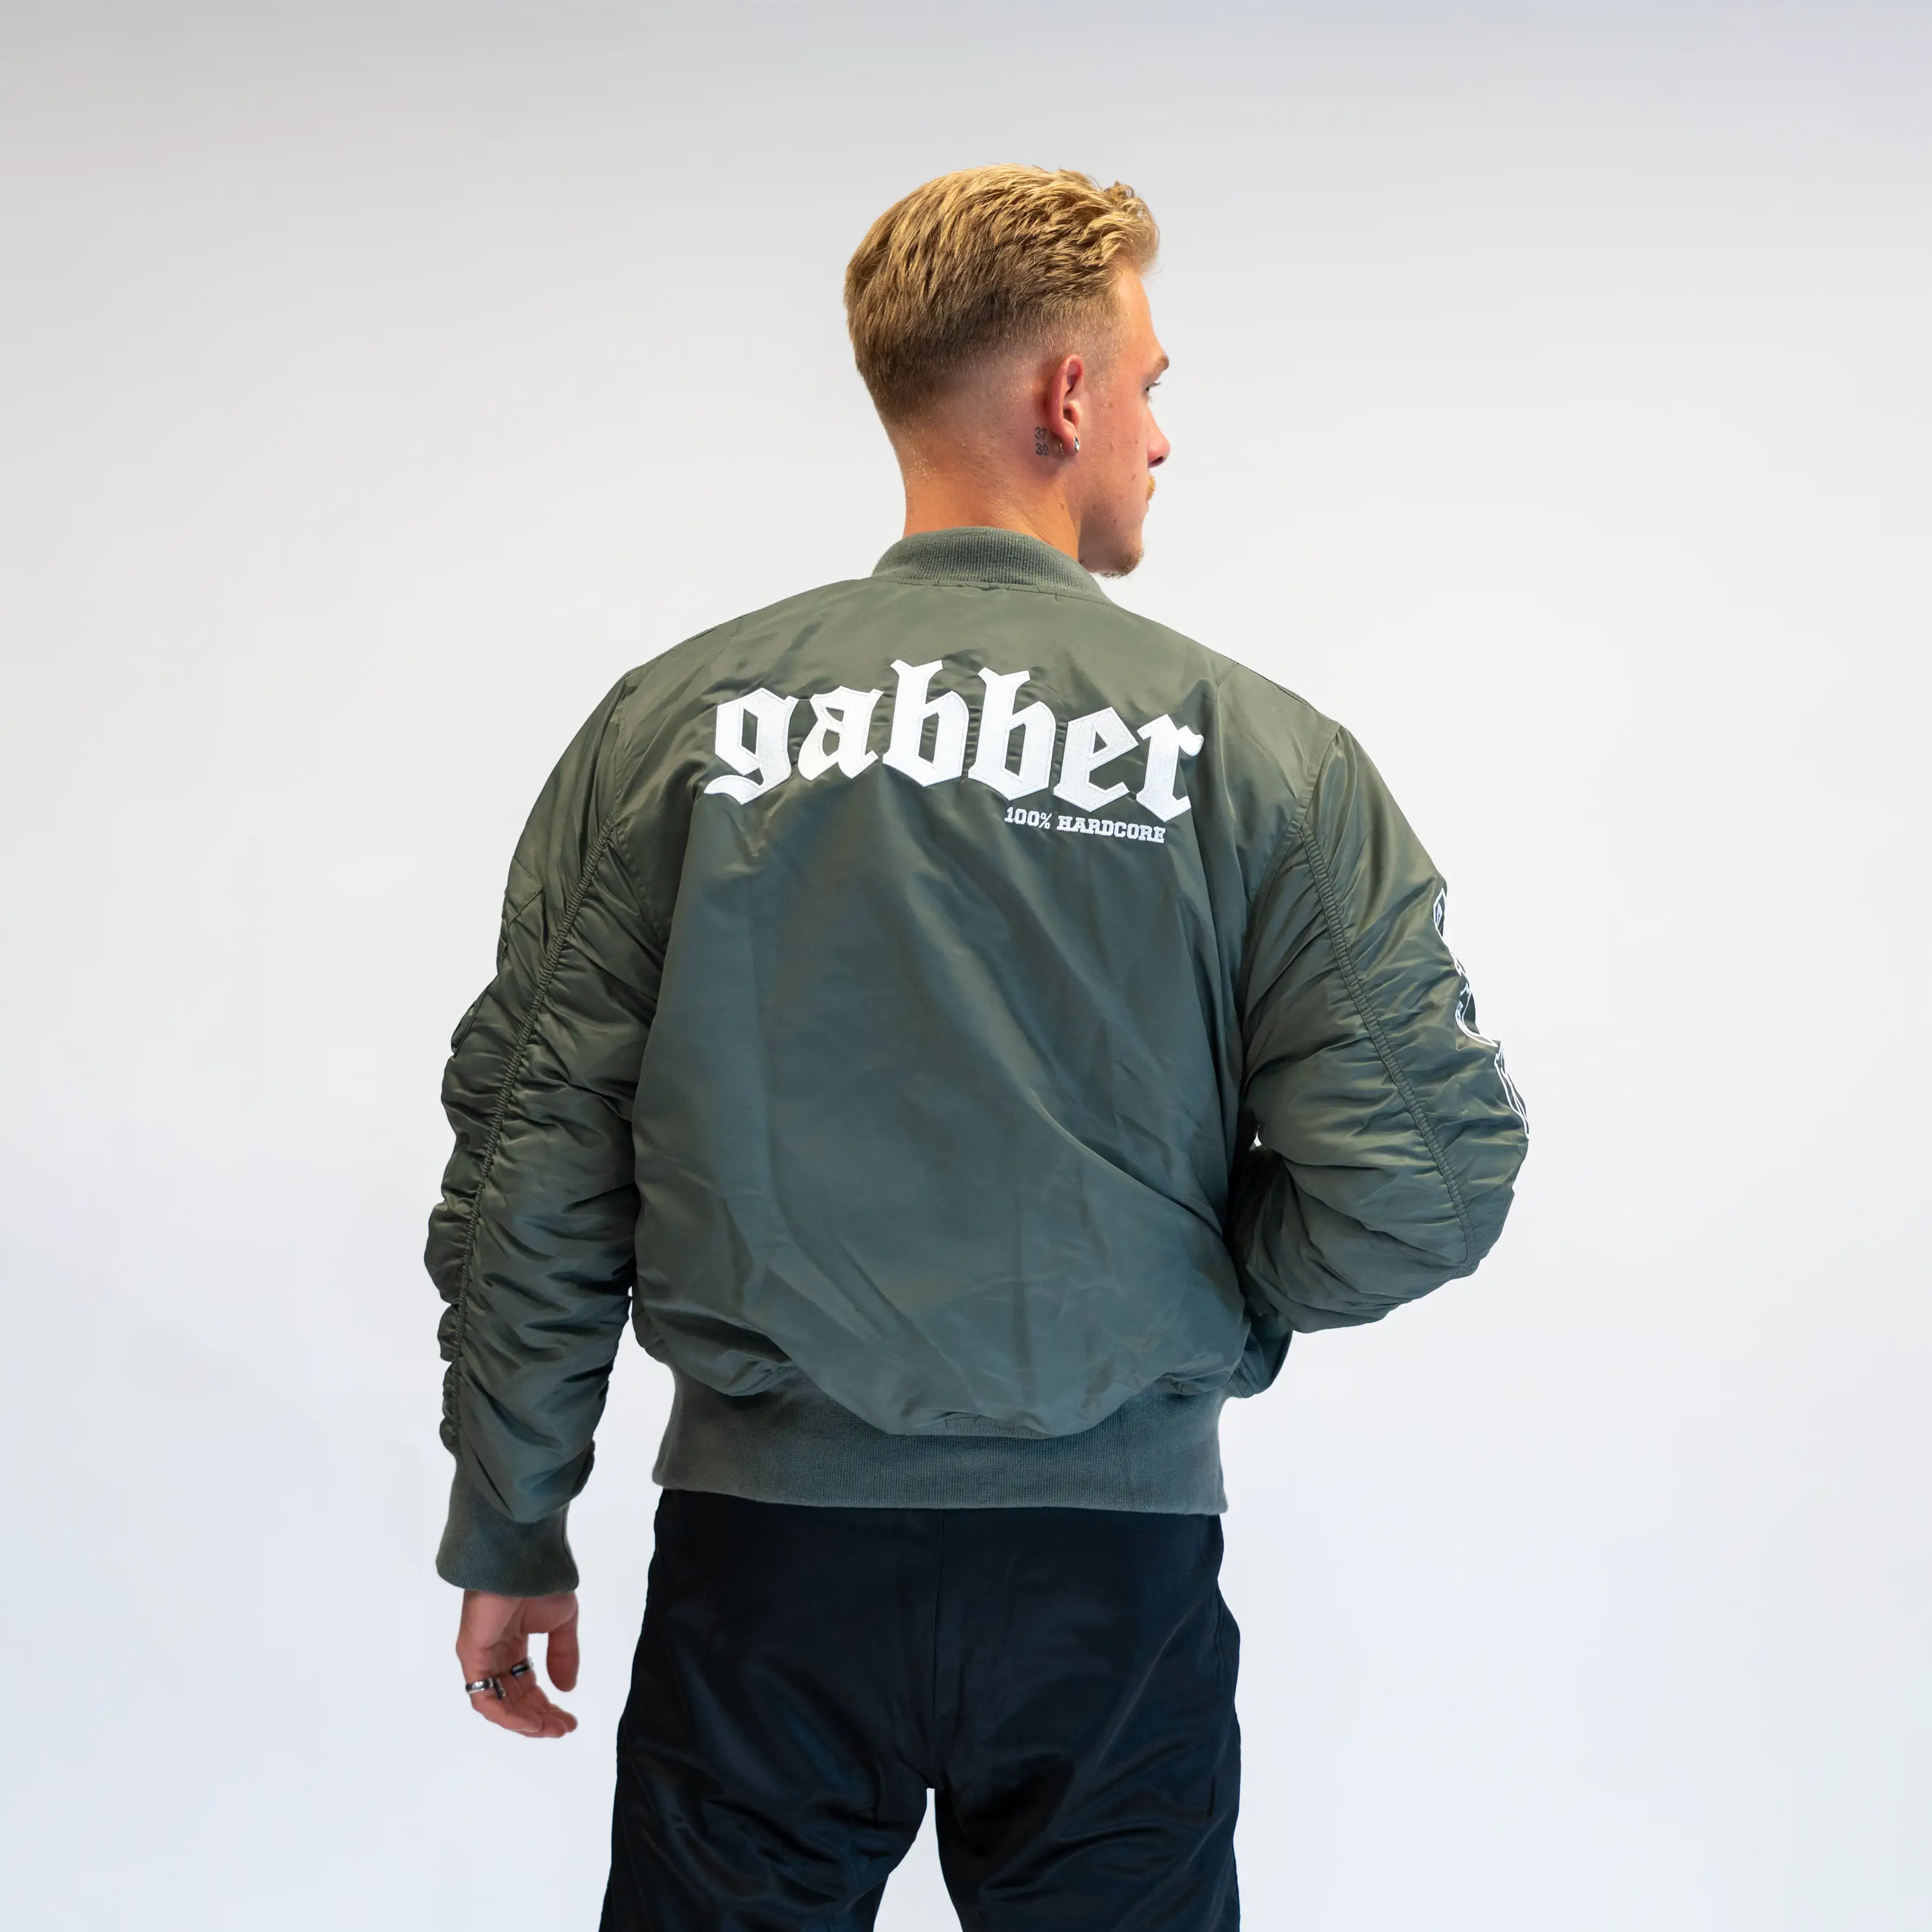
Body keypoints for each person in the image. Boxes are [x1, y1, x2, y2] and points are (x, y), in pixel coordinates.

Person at [426, 164, 1528, 1930]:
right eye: (1149, 384)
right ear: (1065, 397)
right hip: (1114, 1581)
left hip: (764, 1569)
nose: (1160, 434)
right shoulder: (1261, 754)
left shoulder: (675, 728)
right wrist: (1203, 1296)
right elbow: (1431, 1177)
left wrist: (512, 1522)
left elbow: (532, 1158)